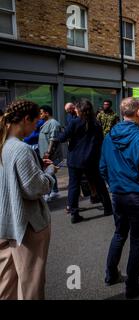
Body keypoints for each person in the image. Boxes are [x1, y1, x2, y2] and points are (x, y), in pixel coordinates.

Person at [100, 97, 139, 299]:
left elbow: (103, 167)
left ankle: (110, 274)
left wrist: (114, 184)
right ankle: (131, 286)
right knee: (136, 242)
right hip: (137, 196)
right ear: (138, 112)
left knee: (119, 233)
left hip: (118, 194)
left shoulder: (109, 137)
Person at [0, 100, 57, 299]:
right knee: (31, 283)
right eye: (35, 123)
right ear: (26, 119)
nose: (36, 127)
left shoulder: (2, 144)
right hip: (26, 224)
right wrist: (49, 172)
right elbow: (34, 188)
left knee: (6, 283)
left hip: (3, 223)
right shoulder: (20, 149)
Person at [58, 99, 113, 223]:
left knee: (74, 185)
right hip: (91, 159)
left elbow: (62, 138)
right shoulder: (96, 124)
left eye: (76, 108)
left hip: (75, 159)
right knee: (99, 184)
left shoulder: (74, 123)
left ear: (79, 110)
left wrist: (61, 133)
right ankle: (108, 208)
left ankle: (74, 213)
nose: (75, 110)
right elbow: (100, 142)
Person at [38, 105, 63, 202]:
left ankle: (48, 194)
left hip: (49, 154)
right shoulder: (46, 123)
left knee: (48, 172)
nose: (40, 115)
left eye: (41, 113)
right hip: (44, 153)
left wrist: (48, 153)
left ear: (47, 113)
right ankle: (55, 191)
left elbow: (53, 140)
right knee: (50, 172)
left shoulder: (54, 123)